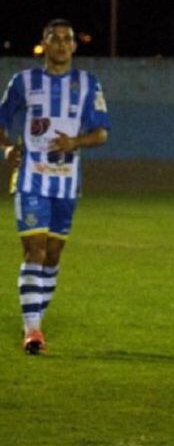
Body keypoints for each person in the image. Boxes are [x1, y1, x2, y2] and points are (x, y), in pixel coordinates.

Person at [0, 19, 110, 354]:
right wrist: (7, 149)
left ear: (74, 46)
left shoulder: (89, 84)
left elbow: (101, 133)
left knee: (53, 254)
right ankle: (33, 331)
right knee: (34, 250)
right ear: (43, 44)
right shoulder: (24, 81)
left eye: (67, 39)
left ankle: (37, 318)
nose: (61, 44)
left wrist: (75, 141)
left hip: (66, 182)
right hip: (31, 177)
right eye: (54, 39)